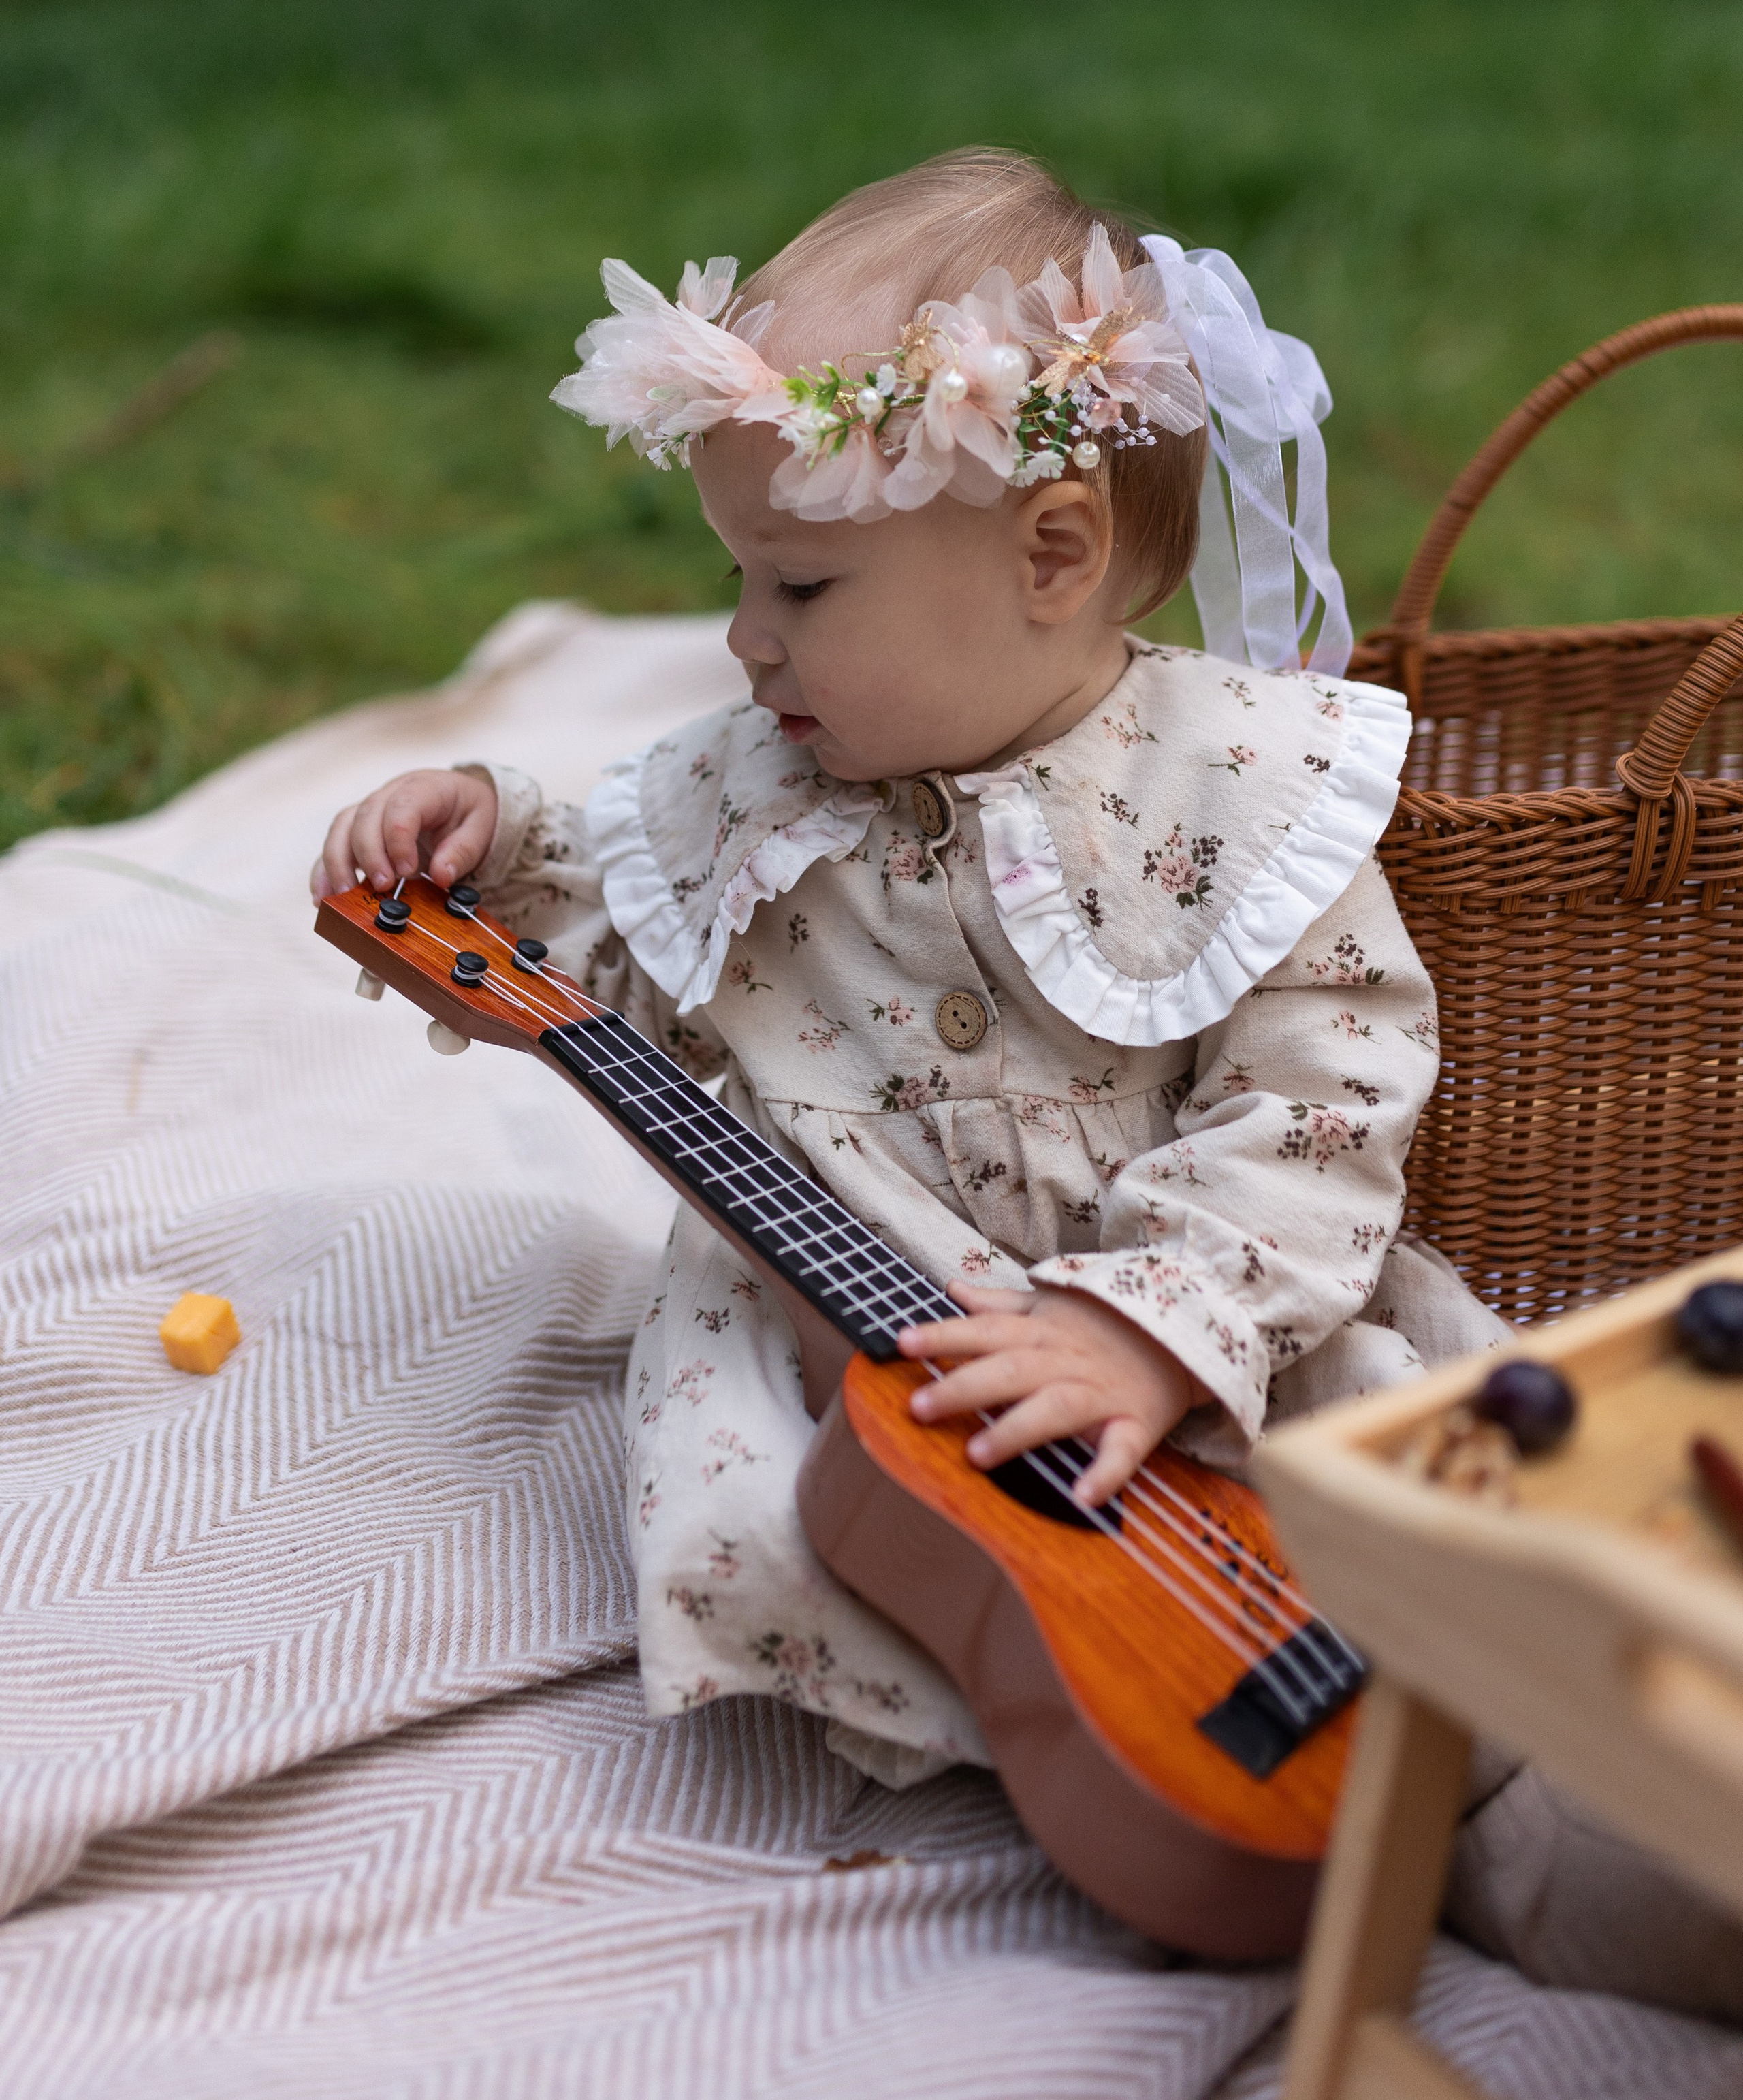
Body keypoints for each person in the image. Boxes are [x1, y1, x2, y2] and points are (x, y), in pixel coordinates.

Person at [313, 148, 1742, 2013]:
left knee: (1416, 1530)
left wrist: (1153, 1328)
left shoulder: (1243, 786)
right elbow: (611, 889)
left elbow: (1331, 1096)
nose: (746, 639)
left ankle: (1535, 1822)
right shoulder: (757, 779)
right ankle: (1054, 1755)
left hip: (1212, 1327)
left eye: (801, 584)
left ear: (1054, 556)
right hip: (875, 1341)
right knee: (830, 1513)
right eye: (738, 578)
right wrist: (485, 839)